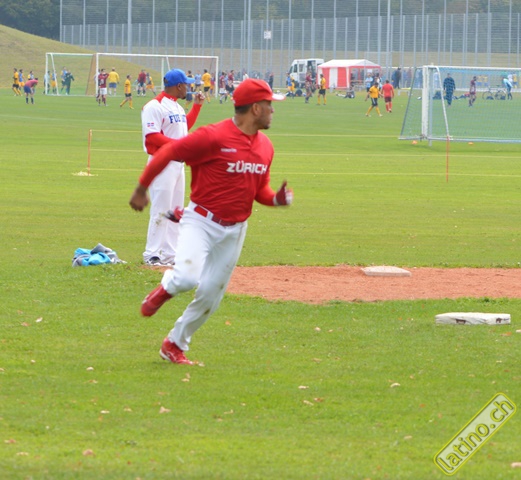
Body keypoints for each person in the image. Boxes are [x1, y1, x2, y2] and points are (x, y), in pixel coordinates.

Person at [129, 78, 291, 365]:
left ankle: (174, 344)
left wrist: (276, 199)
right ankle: (166, 288)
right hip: (201, 222)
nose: (272, 110)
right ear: (255, 109)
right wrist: (142, 189)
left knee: (210, 296)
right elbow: (168, 152)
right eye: (269, 105)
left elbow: (260, 192)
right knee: (186, 278)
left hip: (235, 230)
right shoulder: (213, 136)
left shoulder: (266, 147)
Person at [140, 68, 205, 267]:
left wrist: (197, 107)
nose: (188, 87)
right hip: (162, 164)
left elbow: (184, 127)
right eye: (186, 84)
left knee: (175, 211)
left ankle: (170, 254)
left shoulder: (177, 106)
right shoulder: (154, 106)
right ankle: (152, 254)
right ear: (178, 86)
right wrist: (179, 146)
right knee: (160, 209)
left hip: (177, 165)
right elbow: (152, 137)